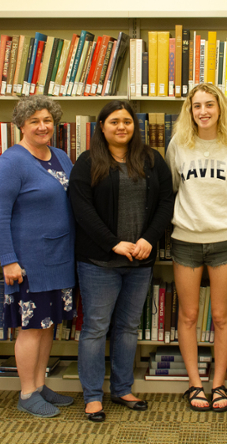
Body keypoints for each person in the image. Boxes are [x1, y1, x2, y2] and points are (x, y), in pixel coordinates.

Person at [69, 101, 174, 422]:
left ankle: (123, 388)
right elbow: (82, 210)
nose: (121, 127)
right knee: (96, 328)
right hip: (99, 262)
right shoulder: (88, 162)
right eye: (114, 121)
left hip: (140, 260)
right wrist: (114, 243)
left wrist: (147, 240)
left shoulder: (152, 160)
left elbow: (167, 202)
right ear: (102, 127)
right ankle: (91, 396)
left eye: (127, 121)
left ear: (134, 126)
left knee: (128, 328)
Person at [0, 95, 76, 418]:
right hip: (30, 262)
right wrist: (8, 260)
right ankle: (26, 392)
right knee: (31, 327)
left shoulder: (62, 157)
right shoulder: (11, 162)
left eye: (47, 120)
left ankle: (40, 385)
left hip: (60, 258)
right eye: (34, 121)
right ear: (21, 125)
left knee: (47, 325)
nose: (42, 127)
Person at [166, 83, 227, 412]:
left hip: (224, 239)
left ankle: (219, 385)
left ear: (220, 108)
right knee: (188, 315)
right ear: (189, 110)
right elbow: (174, 187)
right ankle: (195, 385)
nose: (203, 111)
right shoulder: (178, 144)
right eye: (196, 105)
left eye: (209, 105)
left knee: (221, 315)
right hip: (185, 240)